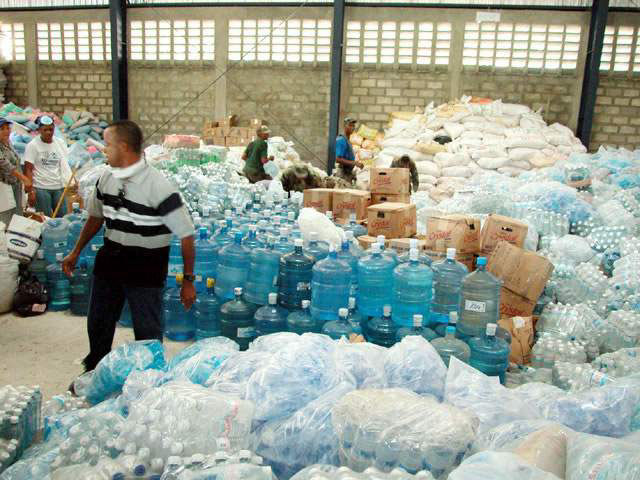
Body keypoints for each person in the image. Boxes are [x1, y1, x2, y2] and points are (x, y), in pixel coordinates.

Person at [62, 120, 196, 382]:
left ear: (123, 147)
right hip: (111, 257)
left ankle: (148, 381)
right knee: (99, 321)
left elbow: (186, 234)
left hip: (146, 265)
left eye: (108, 145)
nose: (104, 150)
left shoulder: (159, 187)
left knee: (147, 329)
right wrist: (76, 250)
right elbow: (95, 217)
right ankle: (95, 372)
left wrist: (188, 282)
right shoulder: (106, 177)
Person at [23, 115, 73, 217]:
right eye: (45, 130)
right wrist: (30, 191)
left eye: (51, 129)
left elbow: (65, 164)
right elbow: (28, 169)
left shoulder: (60, 143)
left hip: (58, 187)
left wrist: (71, 181)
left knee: (62, 218)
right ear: (39, 130)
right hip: (41, 188)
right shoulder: (33, 145)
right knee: (44, 219)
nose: (48, 132)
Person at [0, 118, 31, 226]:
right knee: (5, 216)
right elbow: (4, 164)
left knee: (17, 214)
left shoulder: (8, 143)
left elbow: (16, 161)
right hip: (3, 186)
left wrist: (22, 179)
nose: (6, 131)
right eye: (2, 129)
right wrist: (23, 178)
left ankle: (15, 239)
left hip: (15, 184)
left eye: (7, 128)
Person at [335, 117, 364, 184]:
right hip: (342, 174)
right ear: (345, 126)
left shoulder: (347, 140)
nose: (352, 128)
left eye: (353, 126)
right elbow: (338, 159)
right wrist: (354, 163)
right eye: (350, 125)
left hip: (347, 173)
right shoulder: (341, 140)